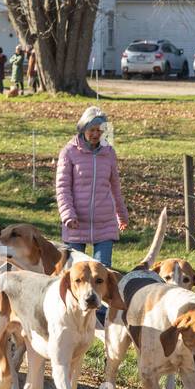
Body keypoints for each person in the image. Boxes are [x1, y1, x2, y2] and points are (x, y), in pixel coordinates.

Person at [56, 106, 128, 271]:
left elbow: (115, 186)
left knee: (102, 272)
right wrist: (67, 214)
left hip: (105, 223)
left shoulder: (109, 152)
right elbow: (62, 188)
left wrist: (121, 214)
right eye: (92, 130)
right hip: (76, 223)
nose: (96, 134)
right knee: (75, 273)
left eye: (100, 130)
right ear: (83, 128)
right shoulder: (69, 152)